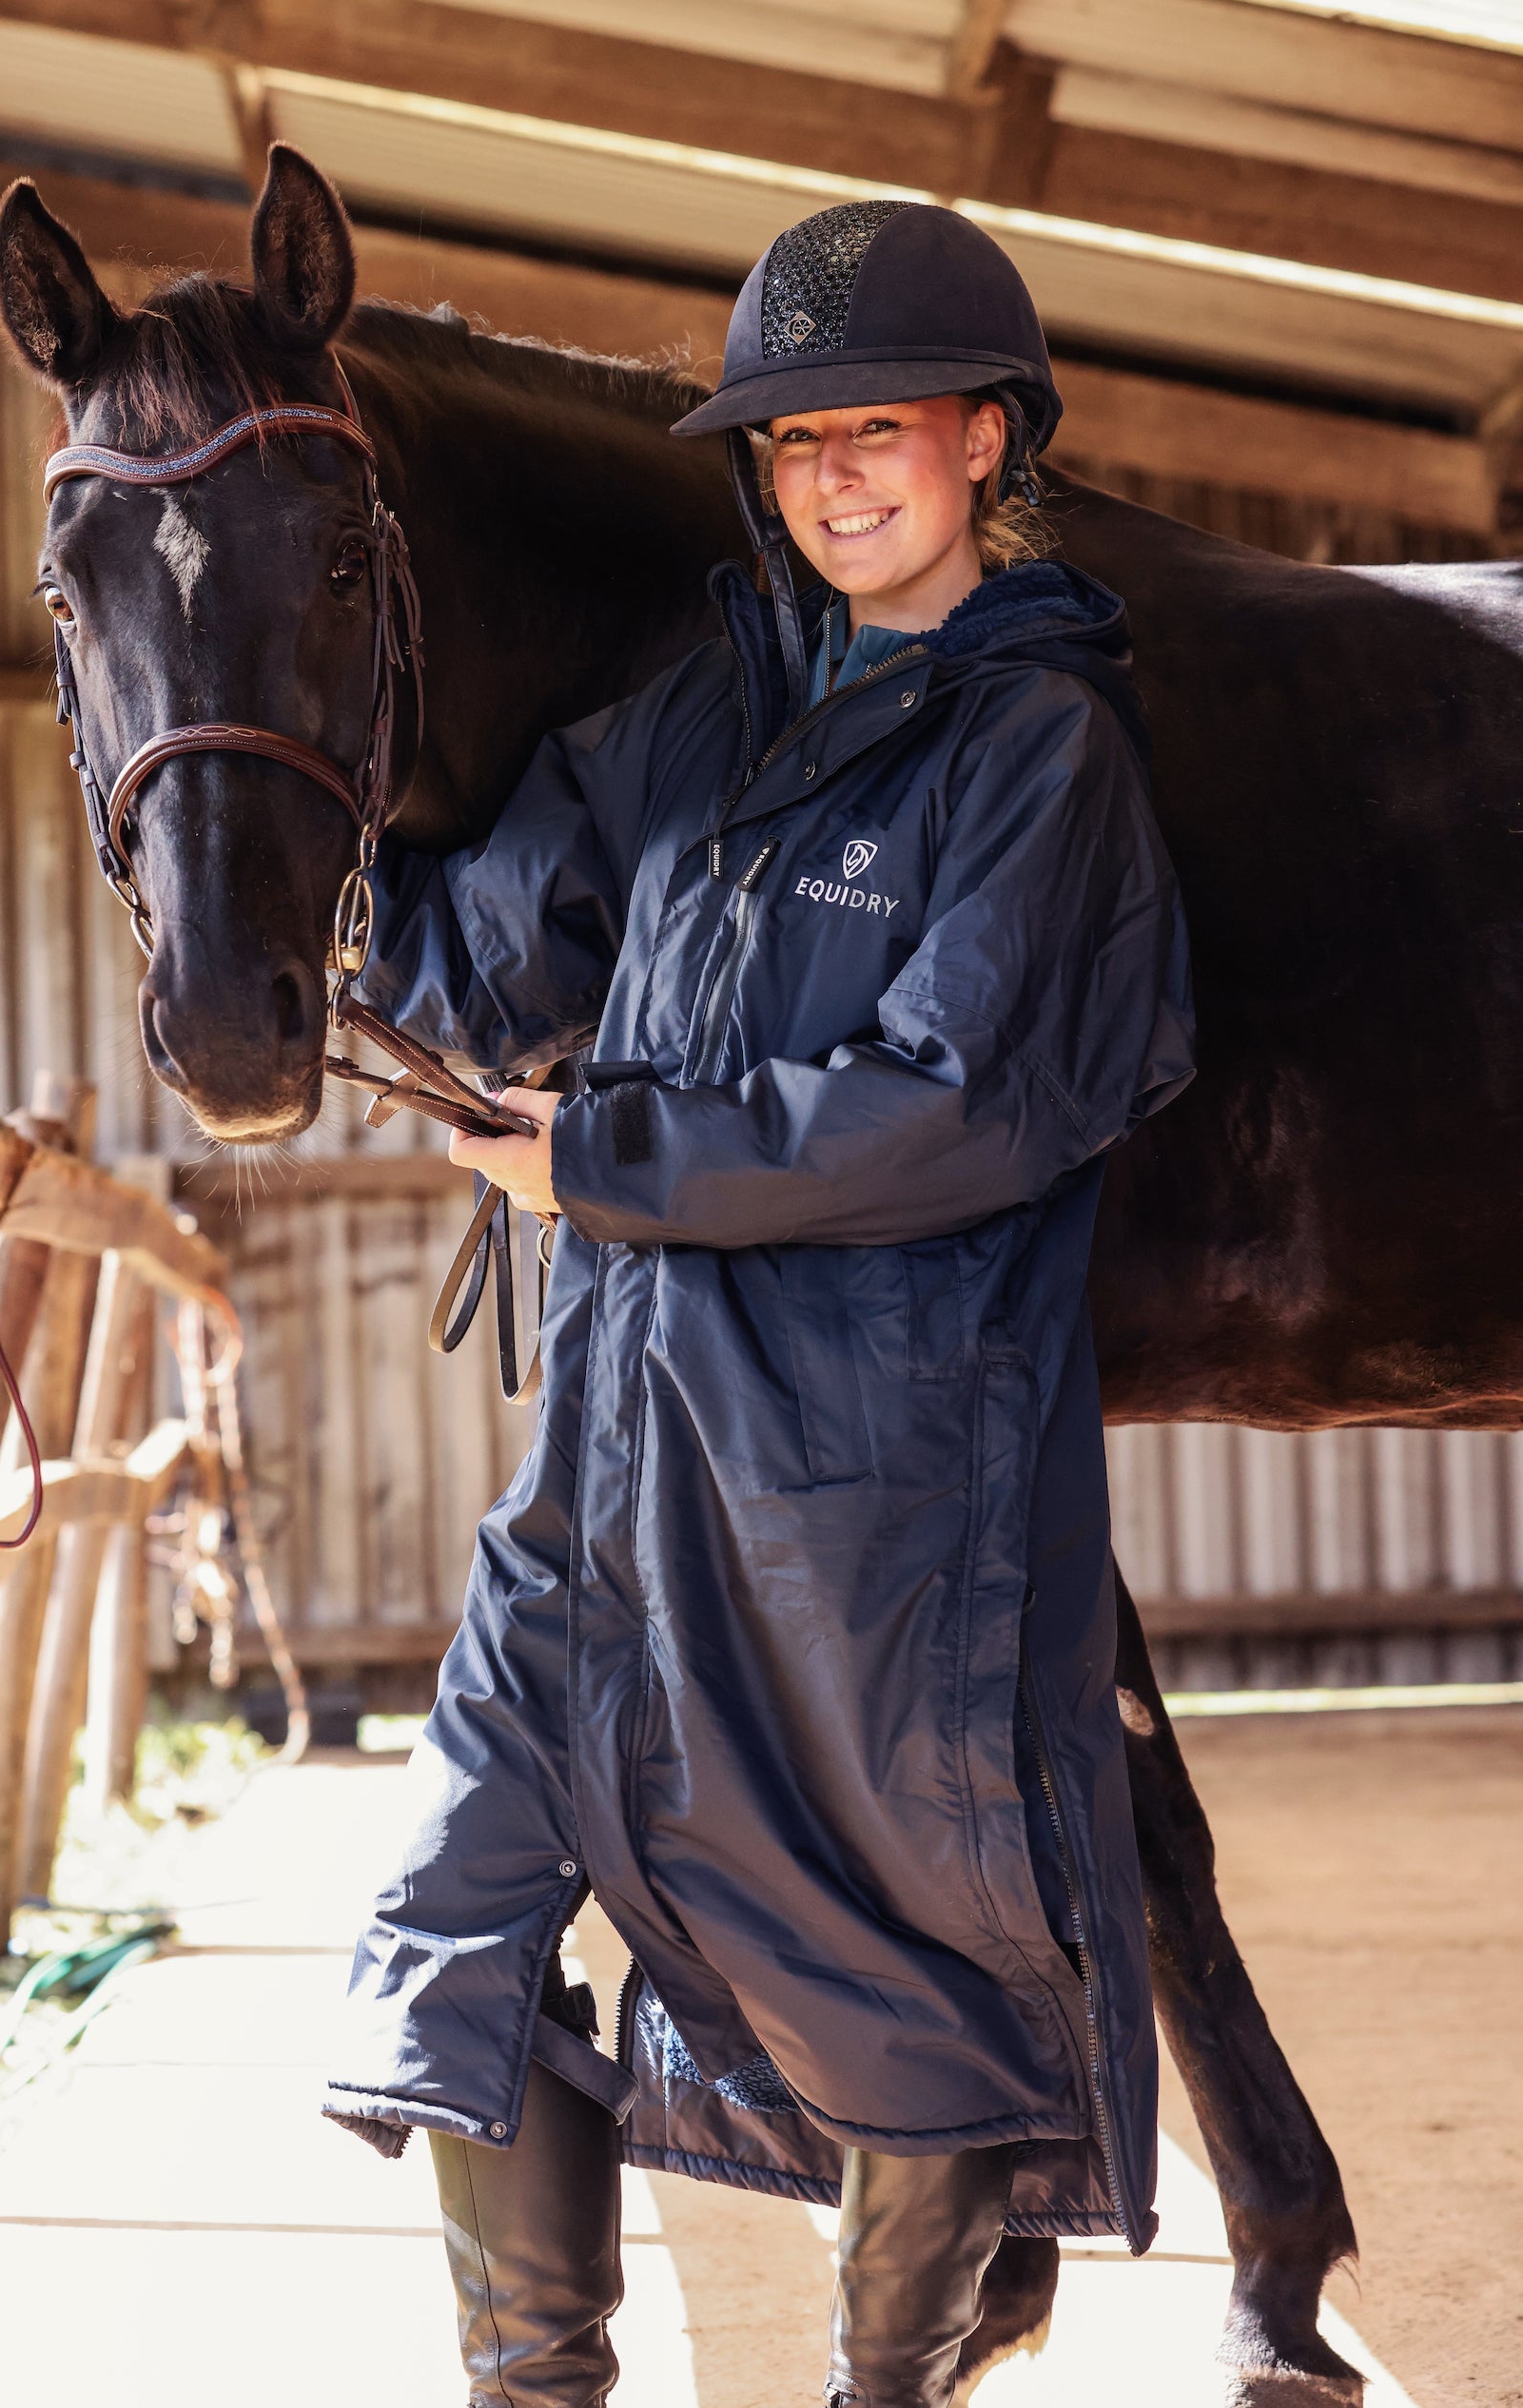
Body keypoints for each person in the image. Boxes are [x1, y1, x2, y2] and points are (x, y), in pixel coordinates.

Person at [324, 199, 1195, 2408]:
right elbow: (500, 920)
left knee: (897, 1979)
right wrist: (266, 834)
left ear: (991, 441)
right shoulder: (719, 694)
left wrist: (597, 1160)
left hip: (860, 1488)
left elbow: (949, 1104)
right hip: (608, 1459)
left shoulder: (1040, 756)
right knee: (464, 1909)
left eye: (876, 432)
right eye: (795, 442)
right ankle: (537, 2386)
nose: (832, 479)